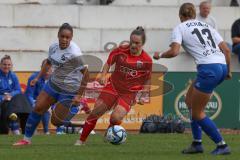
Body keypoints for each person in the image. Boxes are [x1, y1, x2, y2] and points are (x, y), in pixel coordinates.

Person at [153, 3, 231, 155]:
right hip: (221, 66)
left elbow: (174, 51)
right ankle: (197, 144)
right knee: (189, 100)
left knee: (197, 113)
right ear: (195, 15)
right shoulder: (207, 26)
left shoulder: (180, 27)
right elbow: (226, 50)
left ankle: (222, 145)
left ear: (180, 16)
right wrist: (228, 72)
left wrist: (160, 55)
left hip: (209, 69)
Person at [13, 23, 89, 145]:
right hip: (54, 83)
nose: (64, 39)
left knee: (56, 122)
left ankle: (75, 107)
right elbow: (48, 63)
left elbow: (86, 74)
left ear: (71, 38)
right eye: (62, 36)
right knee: (38, 107)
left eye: (67, 37)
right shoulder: (53, 47)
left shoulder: (74, 54)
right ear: (58, 35)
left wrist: (79, 96)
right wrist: (37, 78)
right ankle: (26, 140)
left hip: (69, 88)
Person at [74, 26, 152, 146]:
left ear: (143, 44)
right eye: (132, 42)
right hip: (113, 87)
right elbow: (108, 63)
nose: (133, 45)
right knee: (96, 111)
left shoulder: (146, 60)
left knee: (116, 118)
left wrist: (144, 94)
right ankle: (81, 140)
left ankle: (109, 133)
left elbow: (147, 79)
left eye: (137, 43)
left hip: (129, 93)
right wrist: (103, 75)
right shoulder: (120, 50)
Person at [24, 60, 52, 135]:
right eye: (45, 69)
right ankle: (33, 131)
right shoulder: (33, 77)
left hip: (46, 103)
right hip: (33, 102)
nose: (47, 72)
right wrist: (34, 104)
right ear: (41, 68)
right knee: (41, 107)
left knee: (48, 107)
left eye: (49, 70)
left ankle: (47, 131)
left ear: (52, 69)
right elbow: (29, 94)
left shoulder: (54, 80)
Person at [0, 55, 21, 135]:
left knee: (15, 104)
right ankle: (14, 129)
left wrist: (10, 95)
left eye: (9, 65)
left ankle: (14, 128)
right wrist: (2, 97)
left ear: (11, 66)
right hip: (1, 99)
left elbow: (18, 90)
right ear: (0, 65)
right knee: (6, 107)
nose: (7, 66)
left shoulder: (13, 75)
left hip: (11, 99)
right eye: (4, 64)